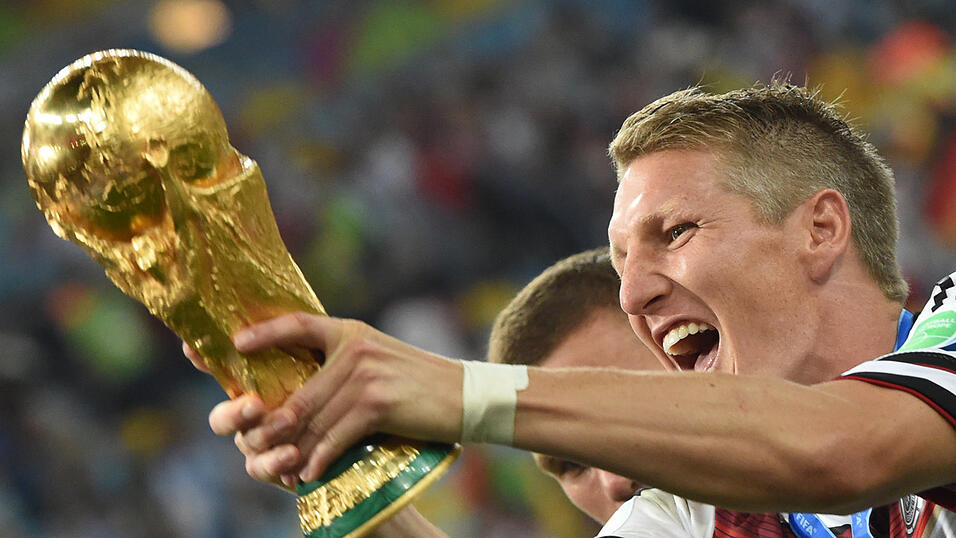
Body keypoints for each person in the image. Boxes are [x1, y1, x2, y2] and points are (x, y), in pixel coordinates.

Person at [203, 82, 956, 536]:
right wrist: (345, 468)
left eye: (677, 232)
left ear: (820, 229)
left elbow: (848, 449)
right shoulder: (695, 516)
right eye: (624, 262)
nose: (633, 294)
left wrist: (461, 393)